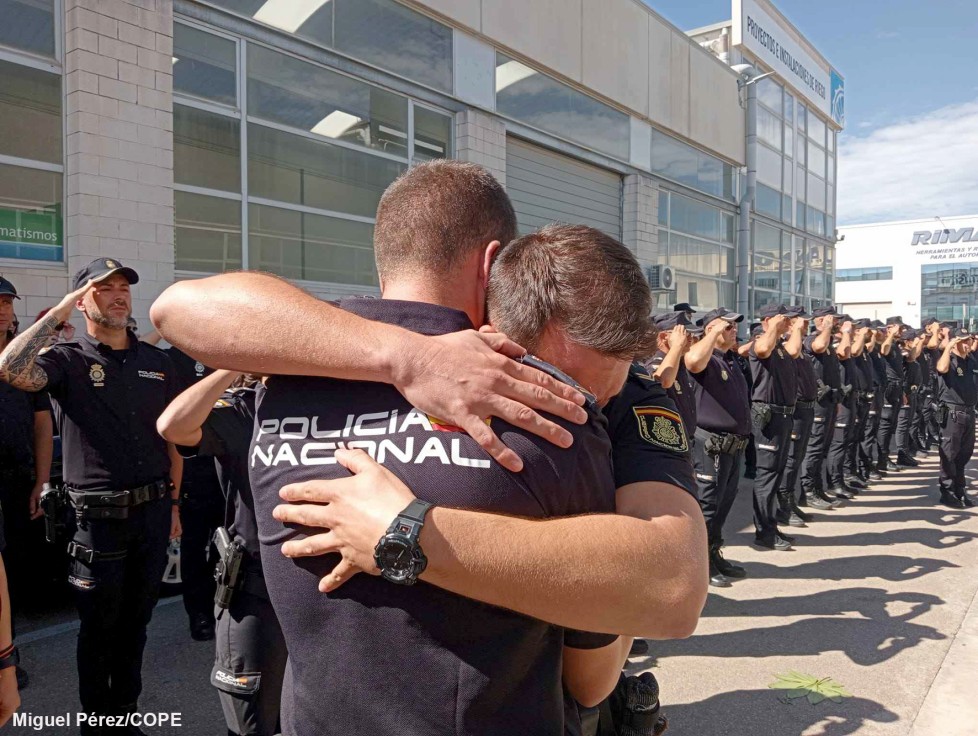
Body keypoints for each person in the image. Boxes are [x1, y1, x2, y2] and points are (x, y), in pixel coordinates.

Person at [151, 162, 705, 734]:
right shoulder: (545, 411)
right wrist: (417, 360)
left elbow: (175, 310)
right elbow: (596, 673)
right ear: (495, 267)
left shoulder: (294, 373)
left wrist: (402, 365)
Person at [0, 258, 183, 736]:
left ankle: (125, 720)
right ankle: (96, 728)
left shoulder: (155, 362)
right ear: (82, 301)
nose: (119, 295)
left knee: (136, 628)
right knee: (99, 632)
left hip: (153, 513)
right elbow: (10, 368)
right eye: (105, 289)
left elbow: (172, 437)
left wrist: (176, 505)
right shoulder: (66, 359)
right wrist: (58, 312)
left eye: (124, 287)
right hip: (98, 523)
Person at [158, 370, 286, 736]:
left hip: (320, 593)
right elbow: (173, 426)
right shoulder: (244, 409)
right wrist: (231, 363)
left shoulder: (333, 407)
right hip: (256, 592)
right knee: (252, 723)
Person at [142, 328, 222, 641]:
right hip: (188, 469)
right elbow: (136, 349)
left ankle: (221, 608)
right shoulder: (167, 359)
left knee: (227, 545)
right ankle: (199, 614)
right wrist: (163, 330)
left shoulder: (222, 358)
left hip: (223, 466)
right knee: (193, 549)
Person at [1, 278, 54, 691]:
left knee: (12, 573)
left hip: (17, 482)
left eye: (6, 302)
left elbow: (42, 424)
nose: (2, 309)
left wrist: (41, 480)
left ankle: (6, 658)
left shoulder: (22, 358)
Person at [685, 307, 751, 582]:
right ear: (710, 330)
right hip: (710, 445)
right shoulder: (706, 358)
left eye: (734, 327)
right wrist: (711, 334)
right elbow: (692, 362)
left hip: (732, 446)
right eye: (728, 327)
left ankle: (713, 554)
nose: (734, 330)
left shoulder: (730, 360)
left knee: (724, 504)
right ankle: (698, 568)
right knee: (708, 506)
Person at [748, 303, 802, 550]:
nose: (788, 323)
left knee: (776, 472)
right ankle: (763, 532)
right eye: (784, 319)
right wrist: (773, 328)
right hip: (769, 418)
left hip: (784, 417)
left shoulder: (779, 346)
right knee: (767, 475)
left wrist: (792, 329)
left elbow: (794, 350)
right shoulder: (761, 342)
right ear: (767, 320)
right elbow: (761, 350)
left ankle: (771, 525)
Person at [778, 305, 816, 527]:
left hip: (806, 408)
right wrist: (795, 330)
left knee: (797, 457)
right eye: (800, 320)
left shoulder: (799, 344)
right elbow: (791, 352)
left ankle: (791, 501)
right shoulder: (785, 344)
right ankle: (783, 506)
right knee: (791, 460)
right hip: (795, 409)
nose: (805, 324)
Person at [935, 328, 976, 508]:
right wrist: (948, 347)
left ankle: (960, 489)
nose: (968, 344)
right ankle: (947, 491)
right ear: (955, 342)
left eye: (970, 340)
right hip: (951, 412)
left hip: (968, 411)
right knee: (949, 454)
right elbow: (941, 368)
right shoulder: (949, 360)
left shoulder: (971, 360)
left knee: (964, 454)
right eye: (964, 341)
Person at [646, 312, 696, 446]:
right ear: (663, 337)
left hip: (687, 442)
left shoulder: (678, 363)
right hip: (669, 443)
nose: (691, 338)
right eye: (685, 334)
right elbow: (663, 381)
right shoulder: (658, 362)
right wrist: (676, 346)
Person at [824, 316, 857, 499]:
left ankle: (840, 479)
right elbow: (844, 352)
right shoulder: (836, 344)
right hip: (841, 401)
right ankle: (833, 482)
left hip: (847, 399)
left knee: (845, 441)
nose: (852, 331)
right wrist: (845, 333)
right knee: (838, 443)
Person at [877, 317, 908, 473]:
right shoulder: (887, 343)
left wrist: (902, 391)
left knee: (891, 426)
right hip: (888, 388)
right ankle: (881, 459)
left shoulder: (896, 345)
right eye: (899, 329)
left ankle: (885, 457)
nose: (901, 332)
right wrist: (890, 334)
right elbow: (884, 350)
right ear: (889, 328)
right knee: (885, 424)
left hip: (897, 387)